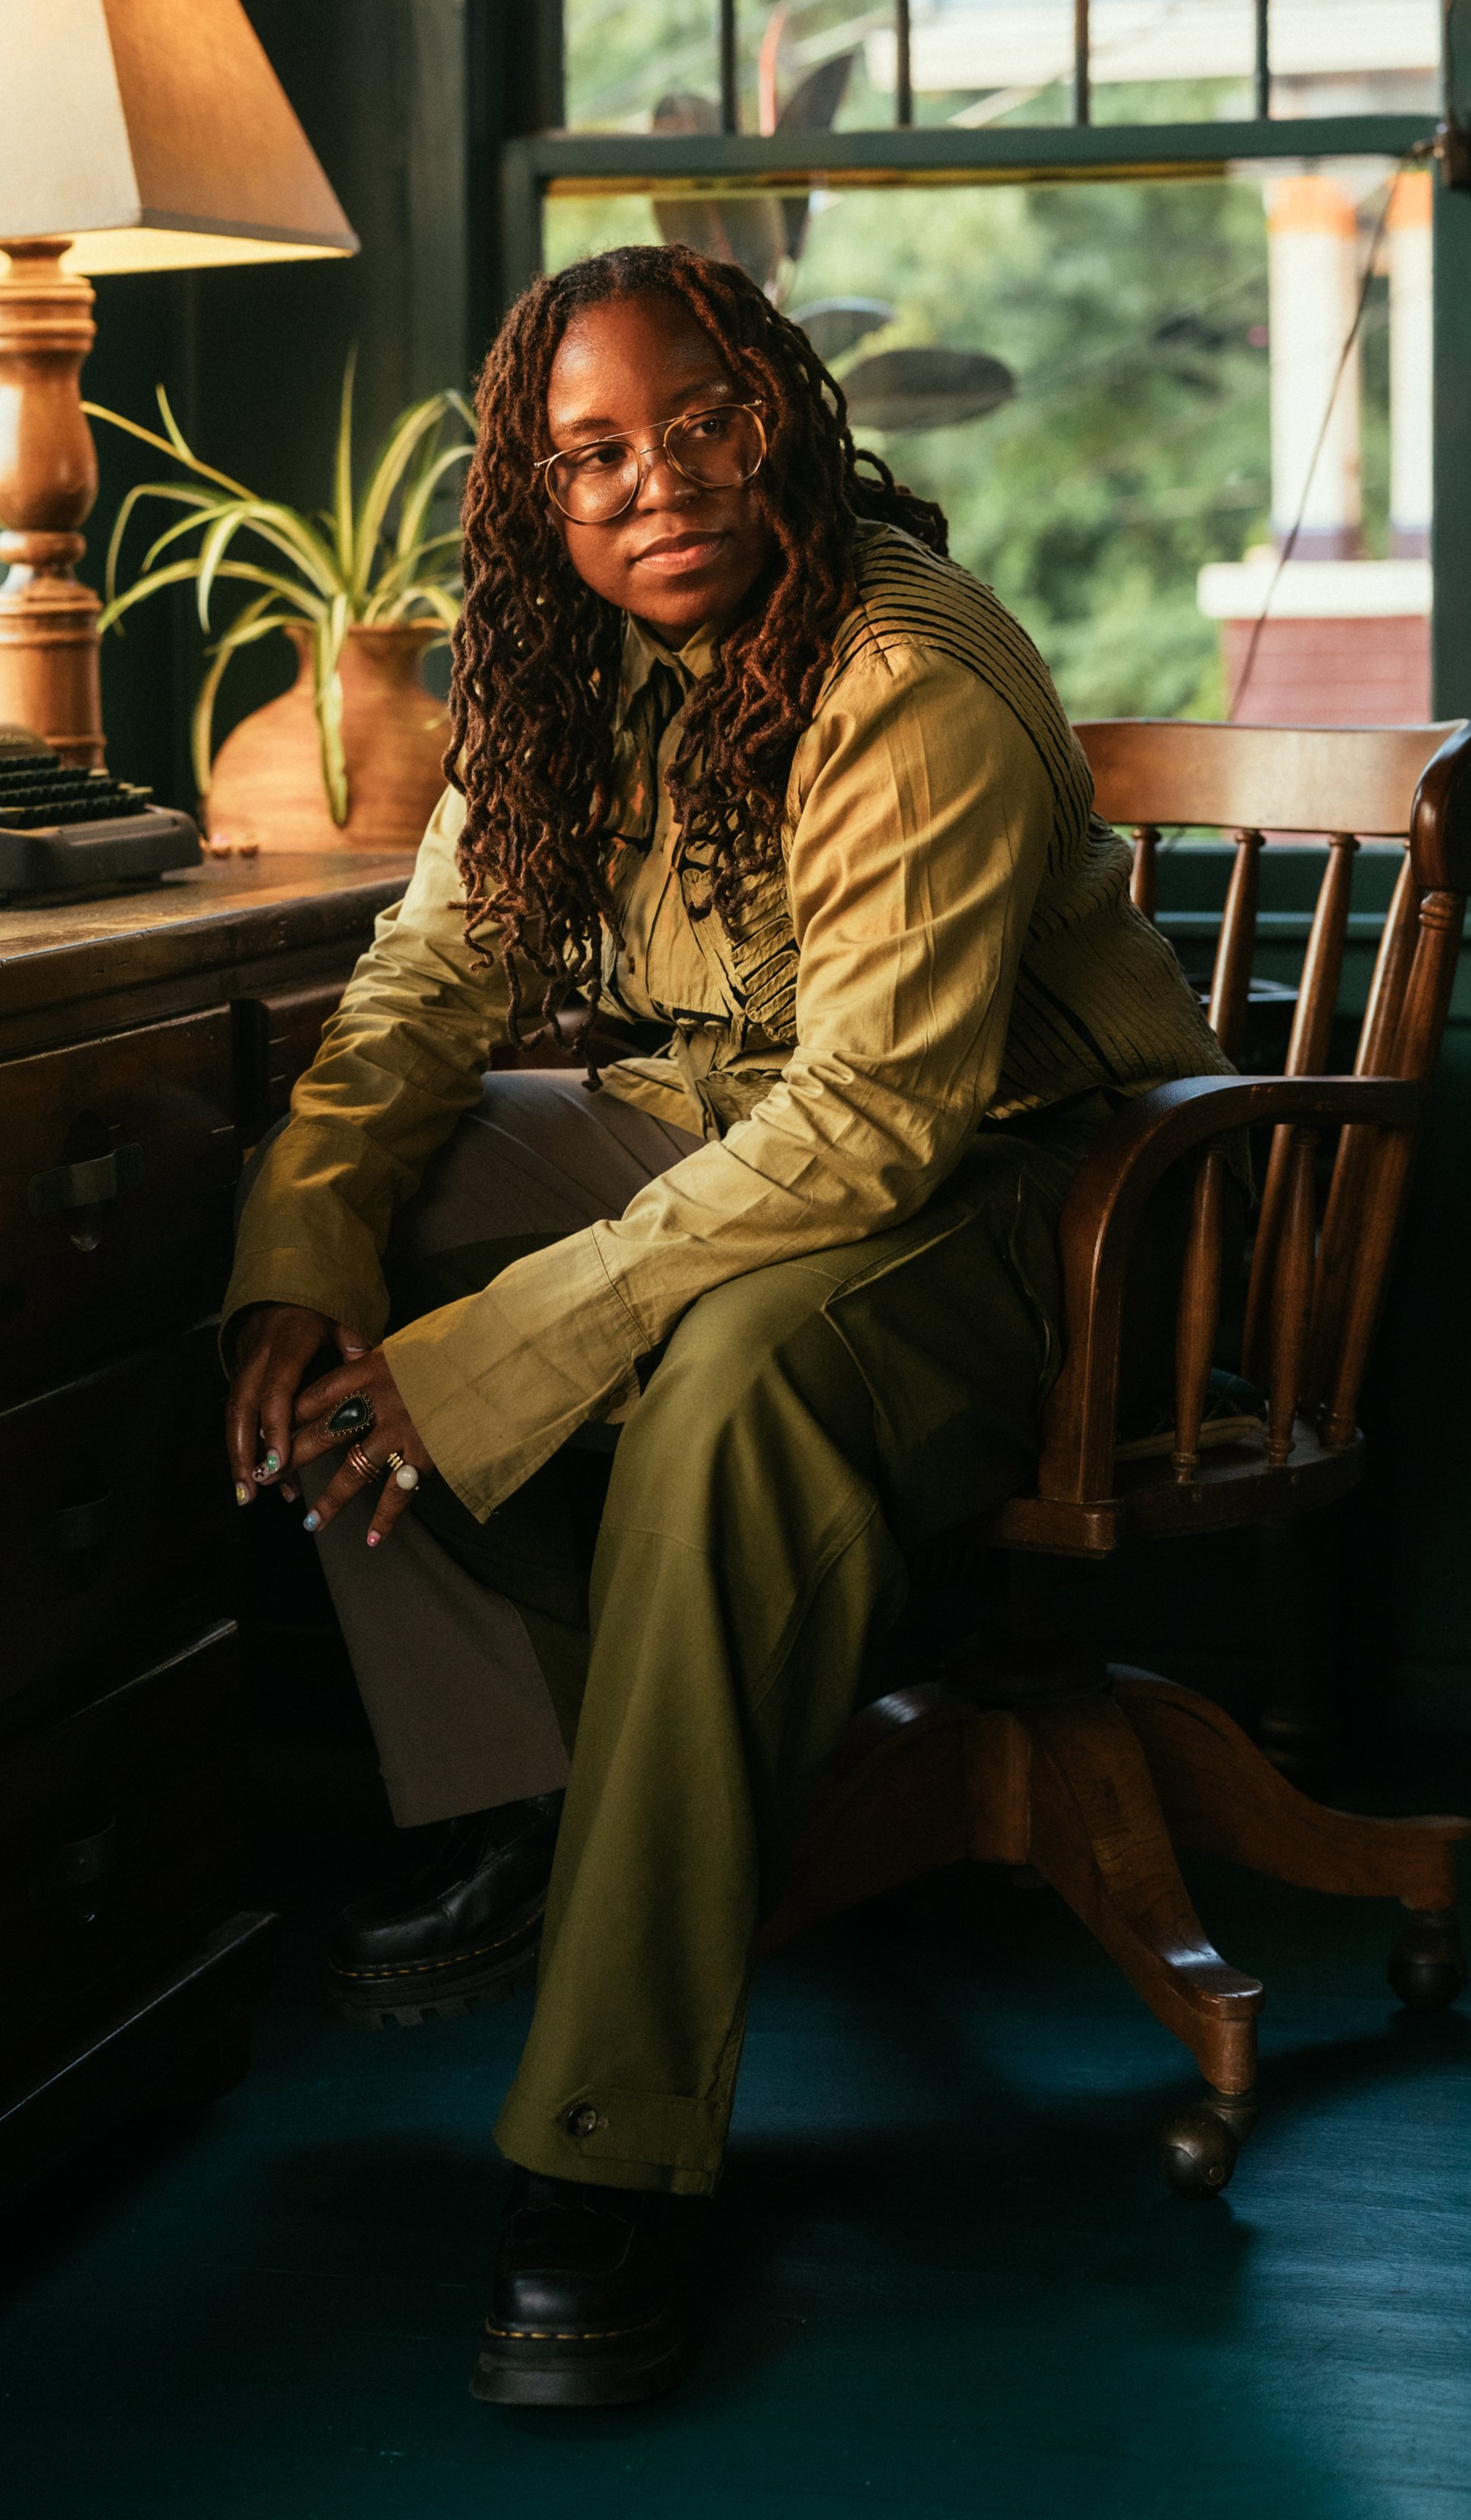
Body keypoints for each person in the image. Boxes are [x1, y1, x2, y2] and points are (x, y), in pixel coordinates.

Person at [221, 243, 1225, 2407]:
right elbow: (426, 987)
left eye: (698, 424)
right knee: (387, 1215)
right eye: (593, 456)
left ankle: (609, 2148)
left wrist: (498, 1351)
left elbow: (872, 1127)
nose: (656, 484)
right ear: (535, 504)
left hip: (1020, 1202)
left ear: (777, 413)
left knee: (731, 1389)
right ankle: (554, 1794)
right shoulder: (563, 673)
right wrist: (303, 1250)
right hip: (734, 1139)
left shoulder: (902, 668)